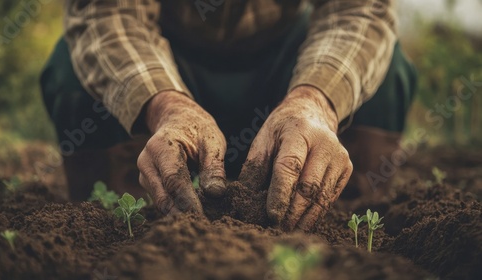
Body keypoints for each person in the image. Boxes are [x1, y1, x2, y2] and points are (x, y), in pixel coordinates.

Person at [40, 0, 416, 231]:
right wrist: (165, 104)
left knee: (386, 66)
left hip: (286, 65)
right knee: (71, 68)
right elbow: (106, 13)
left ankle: (334, 212)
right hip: (163, 60)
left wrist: (315, 101)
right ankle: (128, 216)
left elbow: (360, 10)